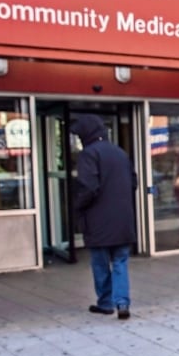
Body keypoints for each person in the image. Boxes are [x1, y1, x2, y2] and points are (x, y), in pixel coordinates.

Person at [71, 114, 137, 320]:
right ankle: (122, 303)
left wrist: (77, 206)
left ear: (85, 135)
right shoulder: (120, 153)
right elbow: (132, 183)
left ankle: (105, 303)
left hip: (98, 220)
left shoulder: (88, 155)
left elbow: (89, 187)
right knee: (120, 262)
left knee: (100, 263)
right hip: (123, 219)